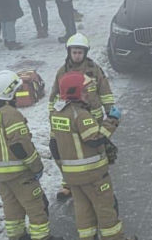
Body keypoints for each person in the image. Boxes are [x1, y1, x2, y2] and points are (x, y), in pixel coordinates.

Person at [49, 71, 137, 240]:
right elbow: (95, 140)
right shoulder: (80, 115)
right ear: (75, 92)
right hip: (93, 174)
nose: (87, 94)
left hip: (72, 176)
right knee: (105, 206)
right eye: (84, 90)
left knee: (83, 209)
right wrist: (112, 121)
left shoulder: (57, 113)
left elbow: (54, 145)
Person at [0, 70, 64, 240]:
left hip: (1, 174)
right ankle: (41, 238)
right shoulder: (10, 114)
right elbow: (21, 146)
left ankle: (17, 237)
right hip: (20, 173)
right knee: (35, 204)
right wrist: (36, 166)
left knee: (12, 206)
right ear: (8, 93)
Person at [48, 33, 120, 202]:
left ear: (85, 53)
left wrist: (110, 111)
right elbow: (53, 98)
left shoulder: (94, 70)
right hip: (68, 120)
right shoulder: (62, 72)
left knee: (94, 150)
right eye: (74, 52)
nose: (77, 55)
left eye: (80, 52)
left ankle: (99, 179)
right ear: (69, 52)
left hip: (91, 120)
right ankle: (68, 184)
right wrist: (54, 120)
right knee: (66, 153)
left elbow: (105, 92)